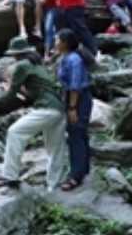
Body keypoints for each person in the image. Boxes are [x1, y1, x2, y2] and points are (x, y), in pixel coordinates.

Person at [0, 37, 69, 190]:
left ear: (16, 54)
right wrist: (17, 90)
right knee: (55, 149)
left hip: (46, 109)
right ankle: (53, 185)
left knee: (15, 132)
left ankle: (10, 176)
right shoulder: (38, 65)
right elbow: (33, 93)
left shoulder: (22, 66)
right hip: (59, 110)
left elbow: (11, 95)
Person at [56, 29, 92, 191]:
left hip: (78, 99)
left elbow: (75, 86)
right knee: (79, 134)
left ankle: (75, 176)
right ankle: (83, 169)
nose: (55, 43)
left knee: (76, 136)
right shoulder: (66, 57)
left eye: (57, 40)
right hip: (73, 98)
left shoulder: (74, 60)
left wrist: (72, 108)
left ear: (65, 43)